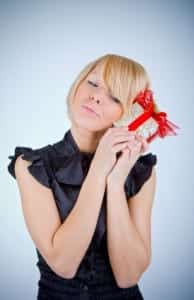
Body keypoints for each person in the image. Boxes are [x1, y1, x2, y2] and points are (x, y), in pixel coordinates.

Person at [7, 53, 157, 299]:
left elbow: (128, 276)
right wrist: (98, 171)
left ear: (129, 113)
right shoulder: (33, 166)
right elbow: (63, 264)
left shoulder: (141, 173)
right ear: (78, 84)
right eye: (94, 83)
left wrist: (116, 182)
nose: (96, 96)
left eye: (115, 96)